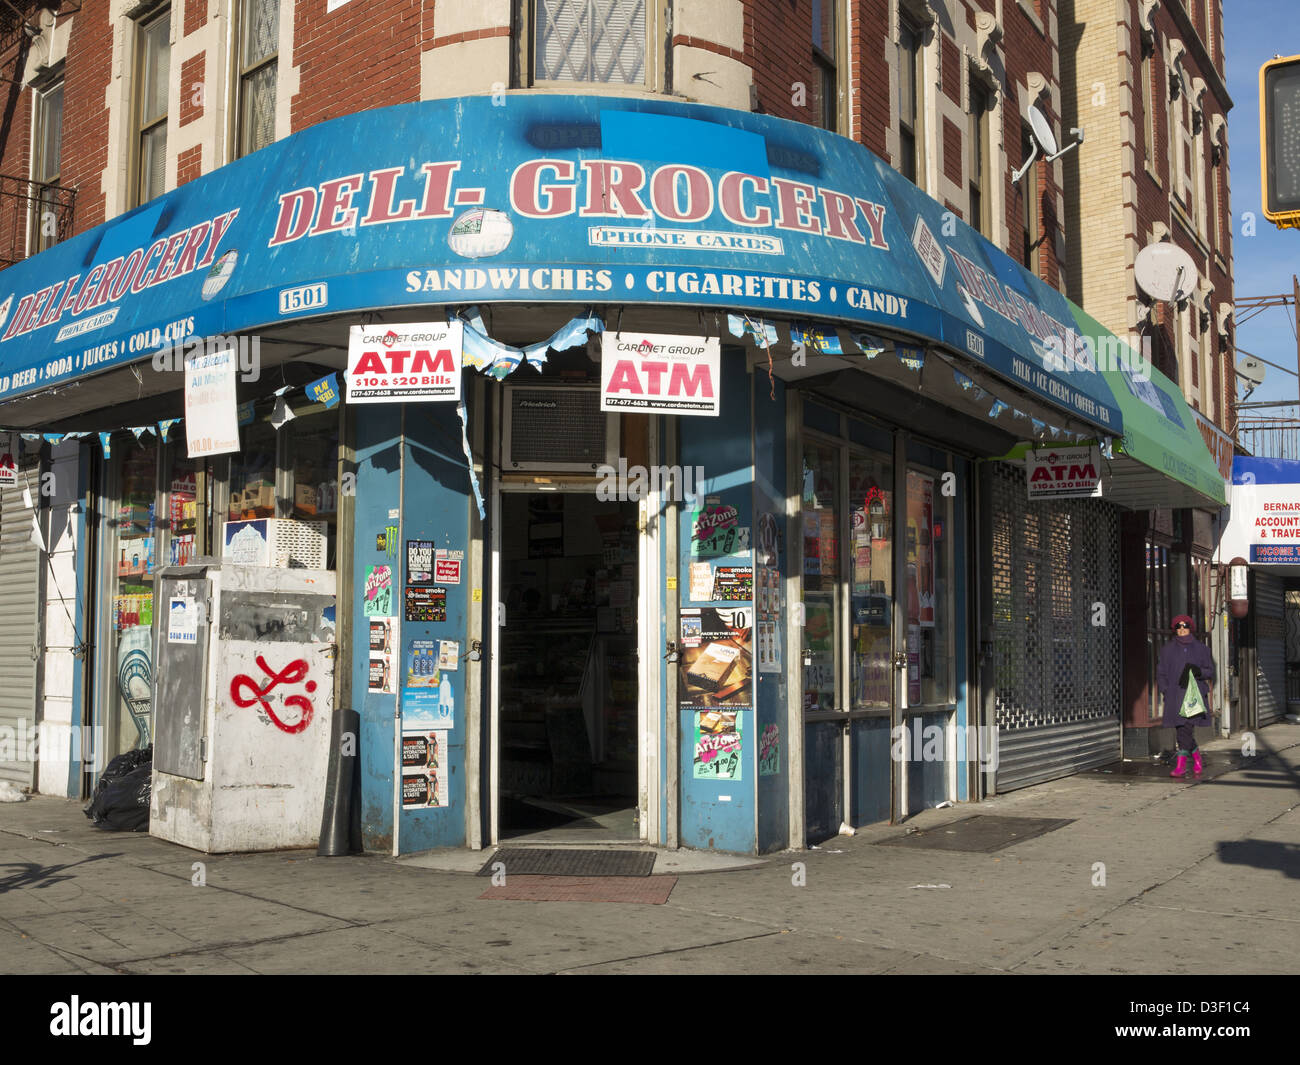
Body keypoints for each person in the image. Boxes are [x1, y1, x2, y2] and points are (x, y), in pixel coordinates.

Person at [1155, 614, 1215, 778]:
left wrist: (1199, 672)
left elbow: (1210, 671)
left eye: (1185, 626)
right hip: (1175, 696)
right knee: (1182, 729)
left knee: (1185, 729)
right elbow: (1161, 673)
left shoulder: (1202, 649)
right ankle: (1196, 758)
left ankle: (1181, 766)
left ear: (1191, 628)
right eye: (1178, 627)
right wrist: (1165, 689)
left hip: (1193, 697)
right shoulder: (1167, 650)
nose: (1182, 629)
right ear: (1174, 630)